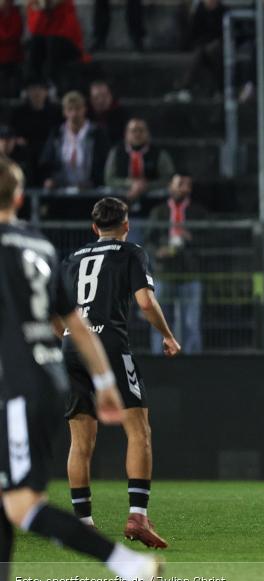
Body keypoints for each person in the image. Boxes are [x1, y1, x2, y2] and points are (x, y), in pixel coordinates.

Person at [0, 157, 161, 581]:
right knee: (7, 495)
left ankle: (126, 566)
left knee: (21, 502)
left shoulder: (58, 254)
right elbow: (75, 321)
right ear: (18, 197)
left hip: (19, 383)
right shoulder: (40, 246)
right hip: (46, 374)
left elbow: (65, 324)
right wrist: (107, 383)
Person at [59, 197, 179, 548]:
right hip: (108, 345)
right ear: (126, 225)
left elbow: (56, 316)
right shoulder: (131, 252)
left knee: (80, 441)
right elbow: (144, 302)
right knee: (138, 430)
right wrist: (168, 336)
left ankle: (83, 524)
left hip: (71, 346)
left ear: (94, 227)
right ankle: (137, 515)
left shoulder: (71, 260)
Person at [146, 173, 206, 355]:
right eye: (180, 184)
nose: (184, 188)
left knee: (191, 323)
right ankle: (158, 360)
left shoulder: (198, 212)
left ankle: (193, 364)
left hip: (190, 273)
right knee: (161, 323)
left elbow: (209, 238)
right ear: (170, 187)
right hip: (164, 272)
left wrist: (192, 237)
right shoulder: (159, 212)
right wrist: (157, 252)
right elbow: (148, 240)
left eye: (187, 185)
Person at [39, 90, 111, 191]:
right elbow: (46, 161)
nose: (74, 114)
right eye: (70, 109)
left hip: (91, 192)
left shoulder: (97, 133)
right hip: (62, 192)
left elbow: (106, 162)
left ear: (84, 109)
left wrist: (94, 181)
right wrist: (50, 179)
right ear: (64, 112)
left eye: (78, 109)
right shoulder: (57, 134)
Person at [105, 118, 176, 208]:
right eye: (133, 131)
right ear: (126, 134)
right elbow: (109, 179)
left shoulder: (159, 154)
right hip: (120, 201)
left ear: (148, 133)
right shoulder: (116, 153)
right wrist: (130, 184)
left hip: (154, 202)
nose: (137, 134)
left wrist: (146, 186)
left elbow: (168, 178)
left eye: (141, 131)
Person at [165, 0, 226, 103]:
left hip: (218, 46)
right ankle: (188, 88)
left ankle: (185, 87)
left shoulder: (222, 11)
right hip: (203, 46)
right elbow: (194, 32)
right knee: (201, 53)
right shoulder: (200, 10)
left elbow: (221, 34)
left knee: (209, 51)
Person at [10, 76, 61, 182]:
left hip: (50, 153)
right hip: (27, 154)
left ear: (46, 92)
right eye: (33, 89)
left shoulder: (55, 112)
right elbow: (14, 135)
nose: (37, 93)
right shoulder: (19, 114)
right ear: (27, 92)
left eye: (40, 89)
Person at [89, 80, 130, 144]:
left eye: (104, 96)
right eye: (96, 97)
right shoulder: (85, 115)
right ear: (91, 99)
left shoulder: (123, 115)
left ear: (111, 96)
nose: (101, 100)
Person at [0, 0, 23, 98]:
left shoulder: (16, 12)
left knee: (15, 79)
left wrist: (6, 38)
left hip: (15, 54)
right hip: (2, 55)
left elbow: (17, 31)